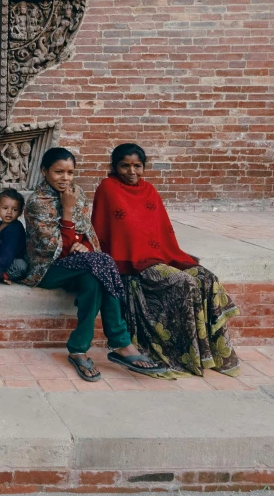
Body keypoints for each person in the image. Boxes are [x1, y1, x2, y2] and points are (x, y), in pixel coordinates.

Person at [91, 143, 240, 377]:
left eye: (137, 166)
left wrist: (168, 256)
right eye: (125, 166)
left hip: (162, 255)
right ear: (114, 167)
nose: (131, 172)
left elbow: (161, 229)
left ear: (144, 167)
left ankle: (212, 354)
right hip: (130, 261)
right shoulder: (108, 188)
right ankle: (183, 354)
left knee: (207, 278)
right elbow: (111, 230)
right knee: (185, 283)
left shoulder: (149, 190)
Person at [22, 147, 167, 382]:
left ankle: (78, 349)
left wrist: (85, 246)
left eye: (70, 172)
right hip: (47, 269)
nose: (65, 178)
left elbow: (87, 232)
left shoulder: (77, 192)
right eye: (59, 172)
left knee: (94, 278)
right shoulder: (37, 202)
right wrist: (67, 212)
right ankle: (121, 343)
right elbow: (53, 250)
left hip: (81, 264)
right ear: (44, 171)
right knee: (101, 263)